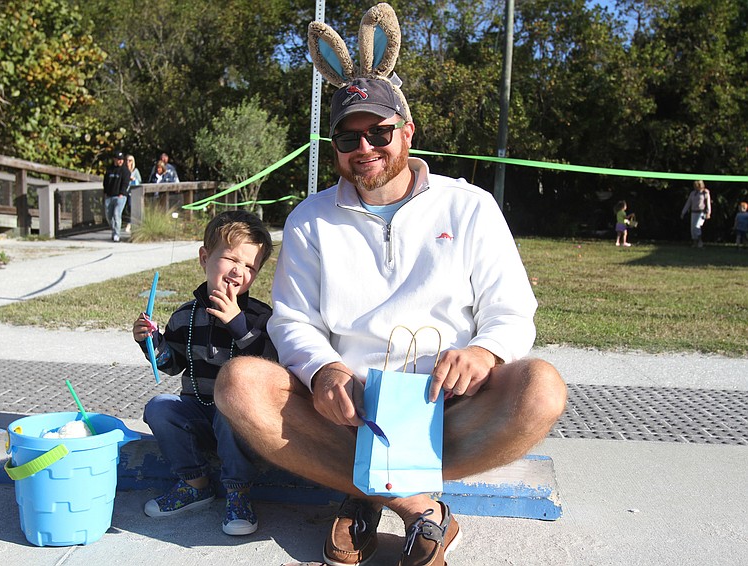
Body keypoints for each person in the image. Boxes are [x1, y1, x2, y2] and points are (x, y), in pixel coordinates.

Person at [214, 78, 566, 566]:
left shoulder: (468, 206)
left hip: (447, 409)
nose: (364, 148)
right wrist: (324, 371)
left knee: (542, 388)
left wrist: (484, 354)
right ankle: (417, 507)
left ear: (407, 132)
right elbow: (292, 321)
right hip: (350, 415)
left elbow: (512, 310)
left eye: (379, 133)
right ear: (334, 147)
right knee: (238, 384)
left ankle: (361, 492)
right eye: (348, 138)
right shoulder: (309, 220)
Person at [132, 210, 275, 536]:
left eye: (251, 267)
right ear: (205, 257)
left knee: (229, 408)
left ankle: (238, 490)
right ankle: (195, 483)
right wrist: (151, 342)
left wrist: (238, 325)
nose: (239, 272)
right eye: (231, 259)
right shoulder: (186, 315)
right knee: (159, 406)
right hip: (197, 410)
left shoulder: (259, 316)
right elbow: (172, 364)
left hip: (240, 421)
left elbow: (269, 367)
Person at [102, 150, 129, 242]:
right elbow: (105, 181)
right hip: (109, 195)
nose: (120, 161)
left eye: (122, 159)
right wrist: (105, 192)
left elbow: (125, 183)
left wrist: (122, 193)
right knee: (109, 216)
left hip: (120, 196)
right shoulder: (109, 169)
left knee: (116, 214)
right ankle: (114, 230)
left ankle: (117, 234)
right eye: (118, 159)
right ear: (114, 159)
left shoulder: (125, 170)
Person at [681, 180, 712, 247]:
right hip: (693, 212)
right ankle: (694, 242)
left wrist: (708, 212)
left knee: (697, 226)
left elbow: (708, 203)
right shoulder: (693, 193)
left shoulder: (705, 193)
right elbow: (688, 203)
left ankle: (700, 241)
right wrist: (683, 212)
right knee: (692, 228)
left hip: (701, 212)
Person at [123, 154, 141, 233]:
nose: (128, 162)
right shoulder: (123, 170)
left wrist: (133, 179)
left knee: (131, 207)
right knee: (124, 208)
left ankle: (130, 224)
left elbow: (139, 181)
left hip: (132, 193)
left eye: (130, 161)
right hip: (123, 191)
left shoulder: (135, 171)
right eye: (126, 160)